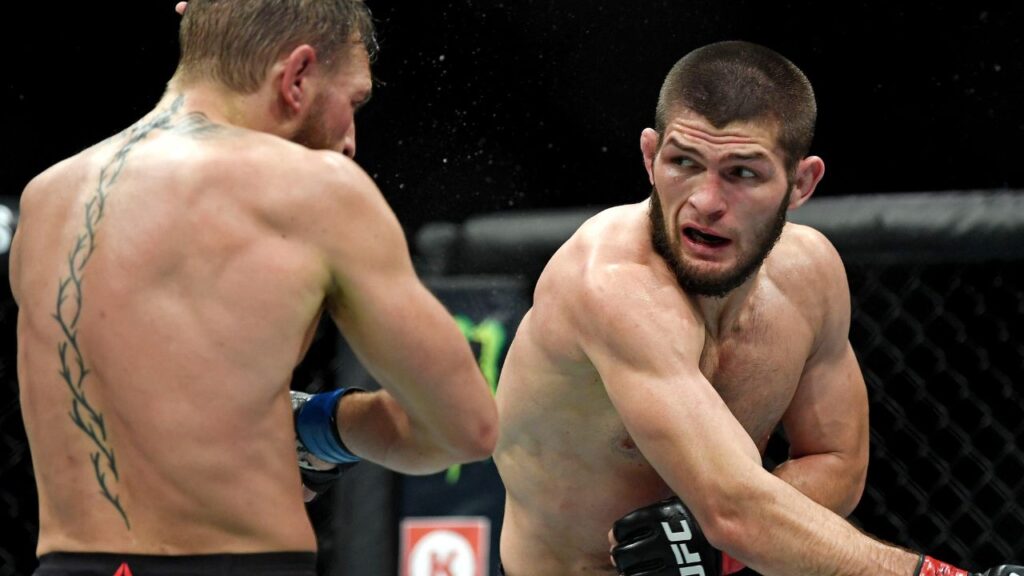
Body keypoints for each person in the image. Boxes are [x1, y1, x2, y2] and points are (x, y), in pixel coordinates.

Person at [492, 40, 1020, 576]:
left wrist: (713, 545)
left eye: (742, 173)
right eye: (683, 162)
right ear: (650, 158)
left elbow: (839, 464)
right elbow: (733, 511)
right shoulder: (609, 283)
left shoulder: (809, 275)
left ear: (801, 183)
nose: (705, 200)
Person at [10, 1, 498, 575]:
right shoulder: (316, 189)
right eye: (353, 101)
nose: (351, 140)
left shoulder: (45, 200)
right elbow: (468, 427)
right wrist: (318, 426)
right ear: (296, 77)